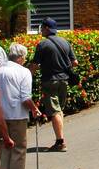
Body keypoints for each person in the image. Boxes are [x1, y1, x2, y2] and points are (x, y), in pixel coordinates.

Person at [0, 43, 38, 169]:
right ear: (21, 57)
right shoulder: (24, 72)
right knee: (19, 150)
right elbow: (25, 98)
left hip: (2, 114)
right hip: (17, 115)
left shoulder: (1, 70)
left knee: (5, 147)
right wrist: (34, 109)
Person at [33, 18, 77, 152]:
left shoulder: (43, 44)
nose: (41, 30)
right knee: (59, 110)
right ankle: (60, 138)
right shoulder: (65, 42)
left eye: (42, 28)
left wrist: (26, 74)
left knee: (55, 111)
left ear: (46, 28)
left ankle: (60, 141)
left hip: (50, 80)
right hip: (64, 80)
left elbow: (34, 65)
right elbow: (75, 62)